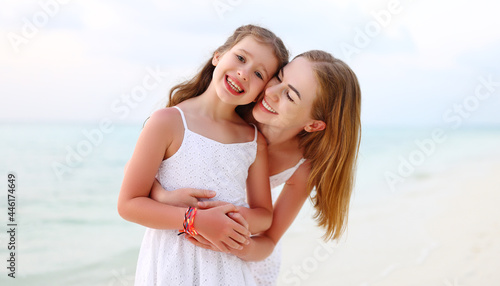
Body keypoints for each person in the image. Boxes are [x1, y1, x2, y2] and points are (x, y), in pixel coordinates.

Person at [150, 50, 362, 285]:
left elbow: (269, 240)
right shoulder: (230, 111)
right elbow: (147, 168)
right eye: (279, 78)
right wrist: (163, 195)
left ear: (313, 124)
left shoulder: (302, 166)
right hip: (189, 238)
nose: (270, 93)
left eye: (289, 96)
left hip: (246, 253)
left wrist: (239, 243)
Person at [117, 24, 289, 286]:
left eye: (257, 74)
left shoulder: (254, 141)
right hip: (170, 266)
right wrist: (194, 220)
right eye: (240, 58)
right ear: (218, 55)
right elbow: (129, 203)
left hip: (228, 271)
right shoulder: (168, 121)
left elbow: (264, 216)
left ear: (261, 91)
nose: (243, 74)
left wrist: (228, 220)